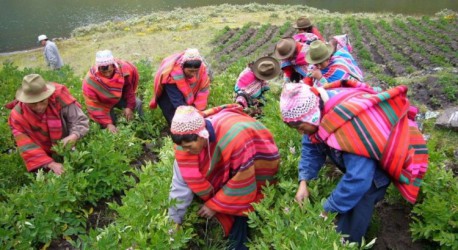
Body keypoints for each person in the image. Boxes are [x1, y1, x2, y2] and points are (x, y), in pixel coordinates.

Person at [279, 81, 429, 244]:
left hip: (379, 165)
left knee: (357, 209)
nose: (301, 132)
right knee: (346, 201)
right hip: (363, 162)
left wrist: (327, 210)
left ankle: (351, 242)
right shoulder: (318, 112)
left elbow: (359, 179)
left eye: (301, 127)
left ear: (312, 116)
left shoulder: (348, 123)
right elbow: (311, 145)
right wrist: (304, 181)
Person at [168, 105, 280, 249]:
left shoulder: (234, 139)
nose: (187, 151)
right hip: (234, 157)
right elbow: (180, 185)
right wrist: (174, 220)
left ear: (203, 135)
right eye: (183, 147)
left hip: (254, 155)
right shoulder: (184, 146)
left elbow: (243, 182)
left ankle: (239, 243)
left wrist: (214, 205)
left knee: (241, 213)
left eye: (189, 146)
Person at [7, 74, 89, 175]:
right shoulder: (17, 116)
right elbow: (26, 145)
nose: (39, 107)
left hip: (67, 138)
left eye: (42, 101)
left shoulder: (59, 97)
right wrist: (50, 163)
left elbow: (79, 120)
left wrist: (74, 135)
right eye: (33, 103)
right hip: (41, 148)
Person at [82, 50, 143, 134]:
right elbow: (94, 105)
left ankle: (140, 128)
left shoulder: (122, 69)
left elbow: (128, 90)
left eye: (109, 71)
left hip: (119, 97)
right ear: (98, 68)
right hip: (103, 103)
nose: (107, 74)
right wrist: (107, 124)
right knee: (111, 124)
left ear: (113, 66)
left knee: (138, 103)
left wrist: (129, 107)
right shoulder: (90, 80)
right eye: (104, 72)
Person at [149, 48, 210, 127]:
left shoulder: (202, 70)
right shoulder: (172, 75)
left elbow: (203, 92)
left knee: (196, 122)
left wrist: (197, 111)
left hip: (187, 94)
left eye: (195, 71)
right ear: (182, 67)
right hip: (168, 97)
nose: (193, 74)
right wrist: (189, 117)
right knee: (177, 122)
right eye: (190, 71)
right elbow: (178, 103)